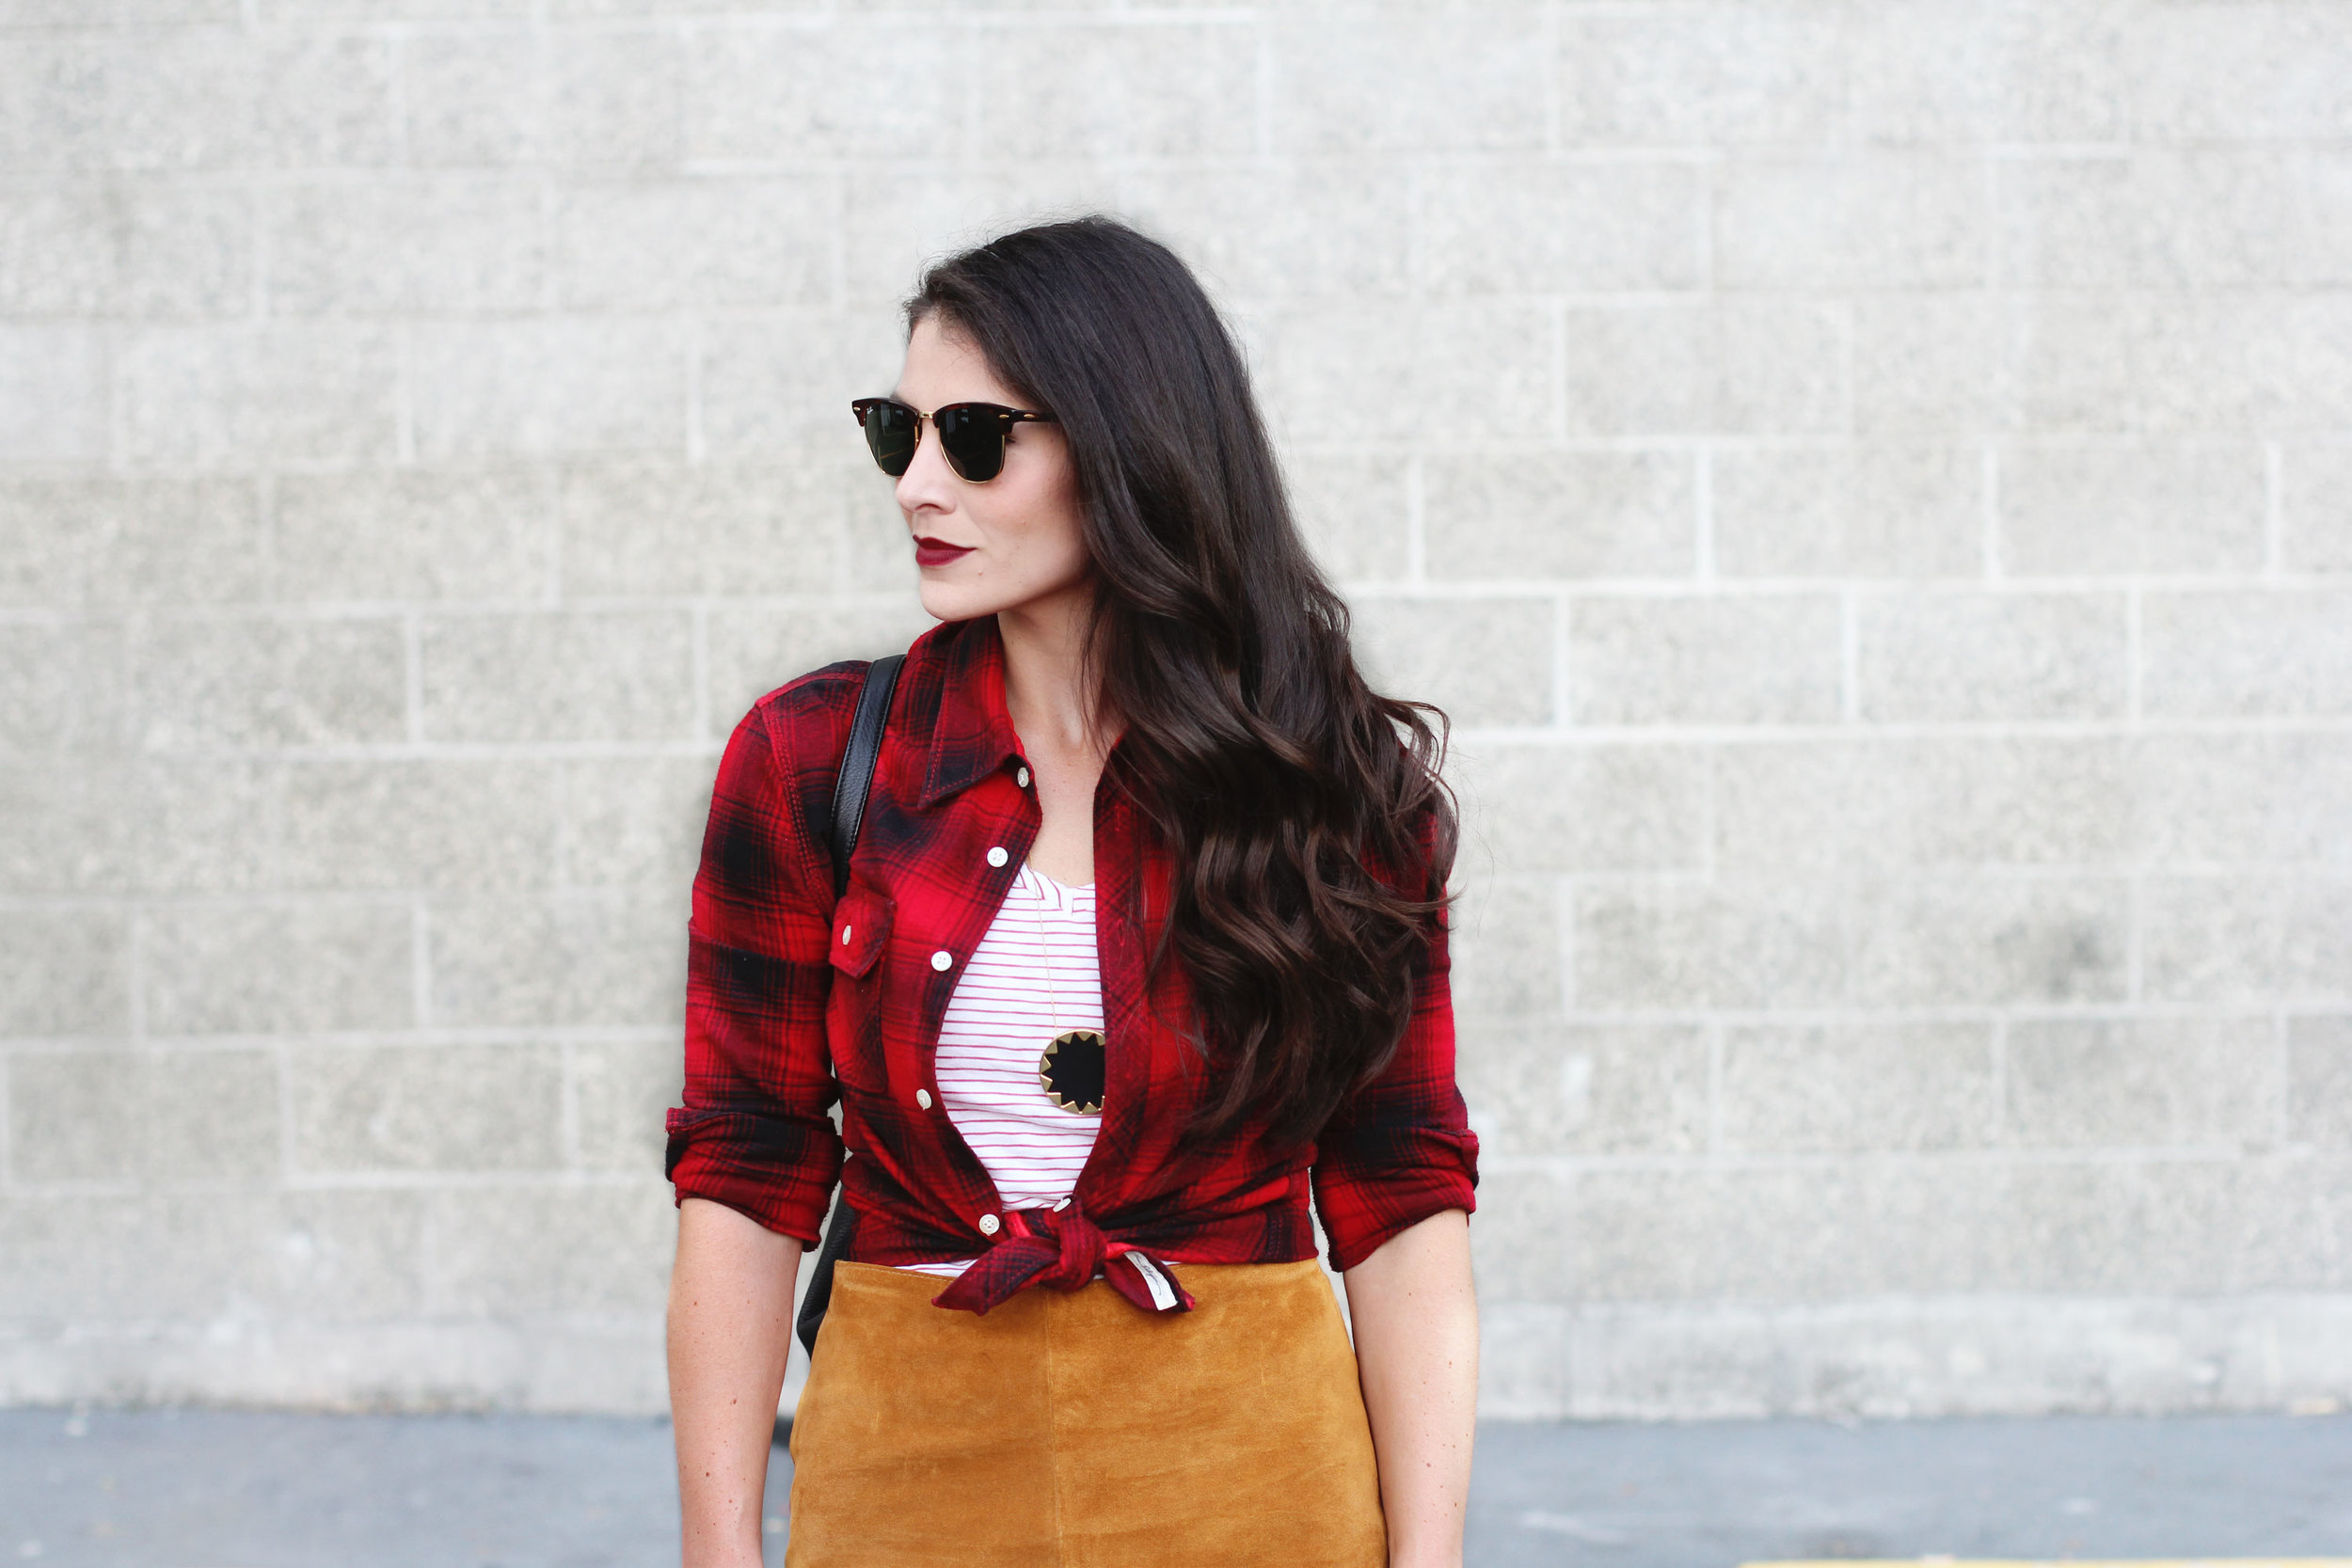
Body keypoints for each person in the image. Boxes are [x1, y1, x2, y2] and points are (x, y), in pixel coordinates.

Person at [662, 214, 1480, 1568]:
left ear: (1128, 447)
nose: (919, 484)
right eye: (895, 433)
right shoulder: (812, 762)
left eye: (976, 439)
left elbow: (1399, 1204)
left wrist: (1429, 1560)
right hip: (906, 1478)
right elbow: (746, 1181)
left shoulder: (1333, 788)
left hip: (1250, 1477)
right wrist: (719, 1552)